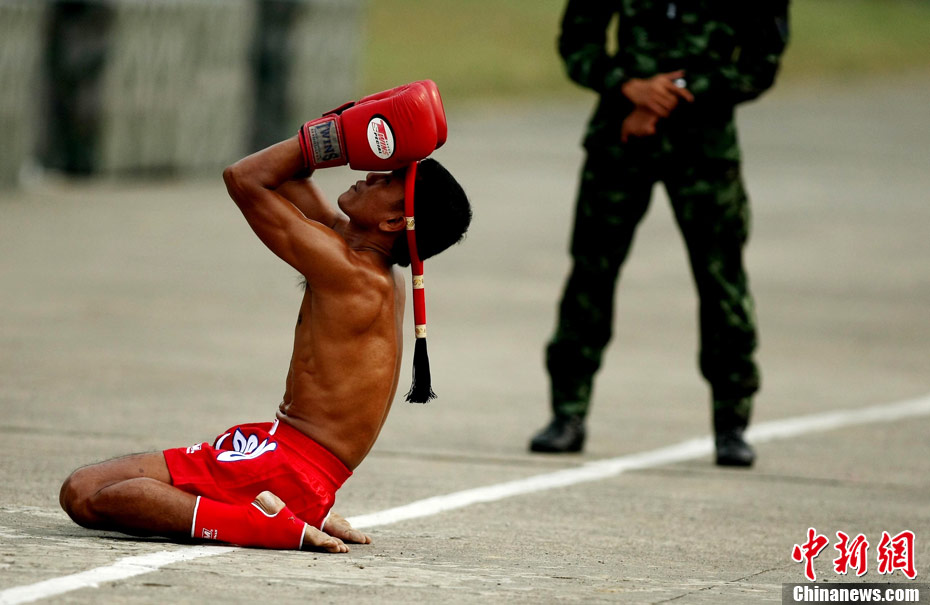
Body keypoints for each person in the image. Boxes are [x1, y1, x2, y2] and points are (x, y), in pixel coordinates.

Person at [59, 81, 472, 551]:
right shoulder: (365, 259)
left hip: (287, 469)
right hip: (287, 458)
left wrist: (334, 137)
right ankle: (288, 512)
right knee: (89, 487)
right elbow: (285, 177)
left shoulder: (351, 273)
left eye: (387, 179)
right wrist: (336, 125)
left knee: (86, 495)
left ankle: (263, 523)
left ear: (395, 221)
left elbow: (245, 178)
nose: (370, 172)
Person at [529, 1, 789, 466]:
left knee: (722, 282)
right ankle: (567, 413)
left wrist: (676, 92)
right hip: (621, 136)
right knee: (591, 275)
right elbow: (577, 43)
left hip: (705, 147)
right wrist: (629, 87)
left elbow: (762, 61)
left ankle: (732, 423)